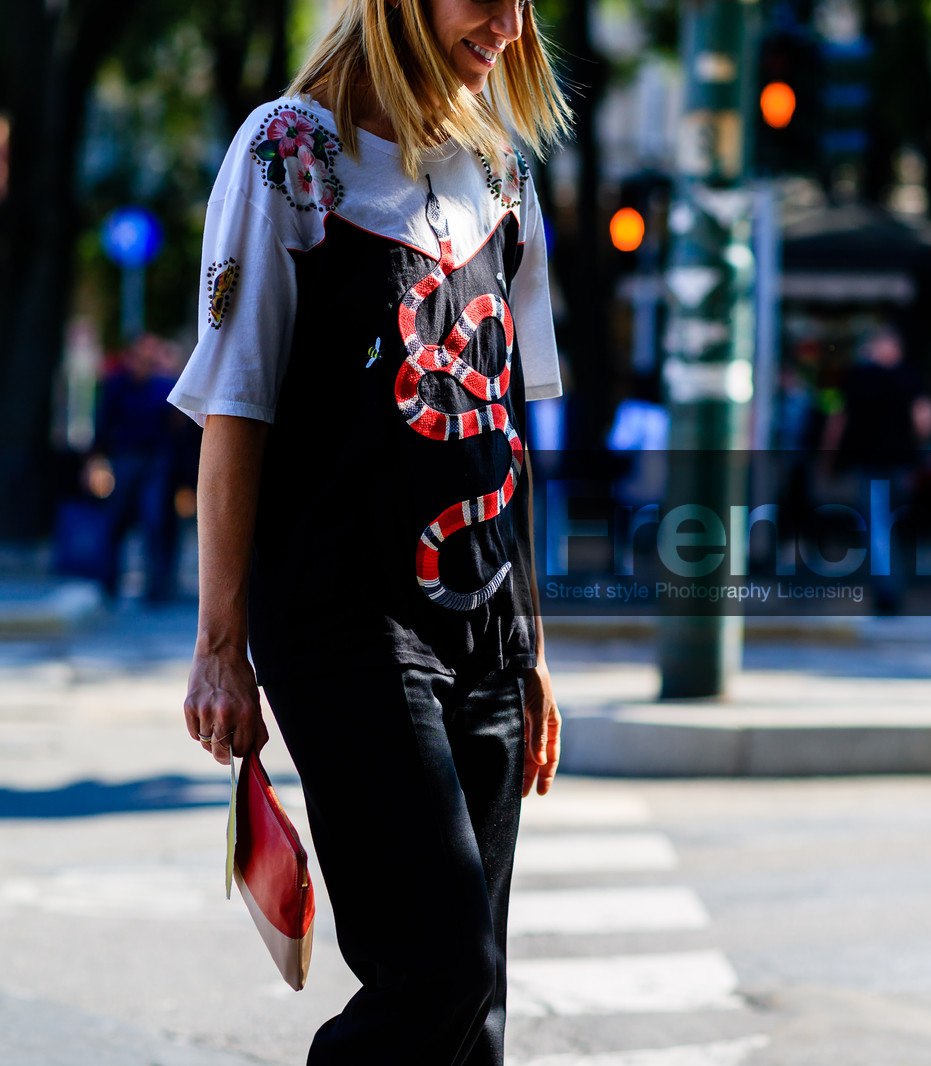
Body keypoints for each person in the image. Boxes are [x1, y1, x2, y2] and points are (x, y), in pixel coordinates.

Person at [166, 1, 570, 1062]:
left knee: (474, 1019)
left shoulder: (506, 176)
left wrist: (530, 649)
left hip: (482, 621)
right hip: (344, 617)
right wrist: (220, 647)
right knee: (440, 967)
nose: (513, 23)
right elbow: (235, 408)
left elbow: (504, 427)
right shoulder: (291, 155)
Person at [819, 324, 931, 613]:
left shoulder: (857, 377)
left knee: (879, 527)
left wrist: (828, 458)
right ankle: (891, 584)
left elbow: (837, 422)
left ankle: (888, 589)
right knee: (890, 525)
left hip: (870, 463)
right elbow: (924, 420)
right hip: (900, 463)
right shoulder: (908, 378)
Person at [94, 334, 182, 602]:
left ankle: (156, 585)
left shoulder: (163, 386)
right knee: (117, 519)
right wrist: (96, 460)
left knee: (153, 520)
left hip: (154, 461)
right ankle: (109, 580)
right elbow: (104, 423)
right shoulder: (117, 387)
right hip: (125, 458)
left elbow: (177, 427)